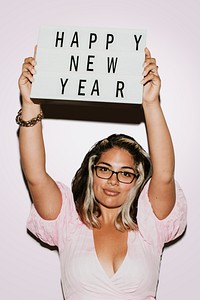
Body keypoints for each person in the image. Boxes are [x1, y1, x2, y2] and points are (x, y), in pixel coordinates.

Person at [17, 48, 187, 300]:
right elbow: (35, 176)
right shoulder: (68, 222)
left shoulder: (150, 226)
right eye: (105, 169)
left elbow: (163, 175)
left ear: (137, 180)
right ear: (92, 171)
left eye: (125, 174)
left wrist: (150, 103)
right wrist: (30, 104)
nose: (113, 181)